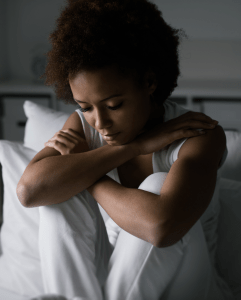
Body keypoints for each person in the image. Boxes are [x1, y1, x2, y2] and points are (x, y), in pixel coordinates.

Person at [17, 0, 235, 299]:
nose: (100, 122)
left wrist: (87, 173)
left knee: (155, 186)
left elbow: (161, 228)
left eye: (114, 105)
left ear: (149, 81)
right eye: (85, 107)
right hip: (113, 278)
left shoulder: (198, 134)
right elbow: (30, 192)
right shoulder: (84, 125)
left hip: (190, 287)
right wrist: (135, 147)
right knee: (58, 194)